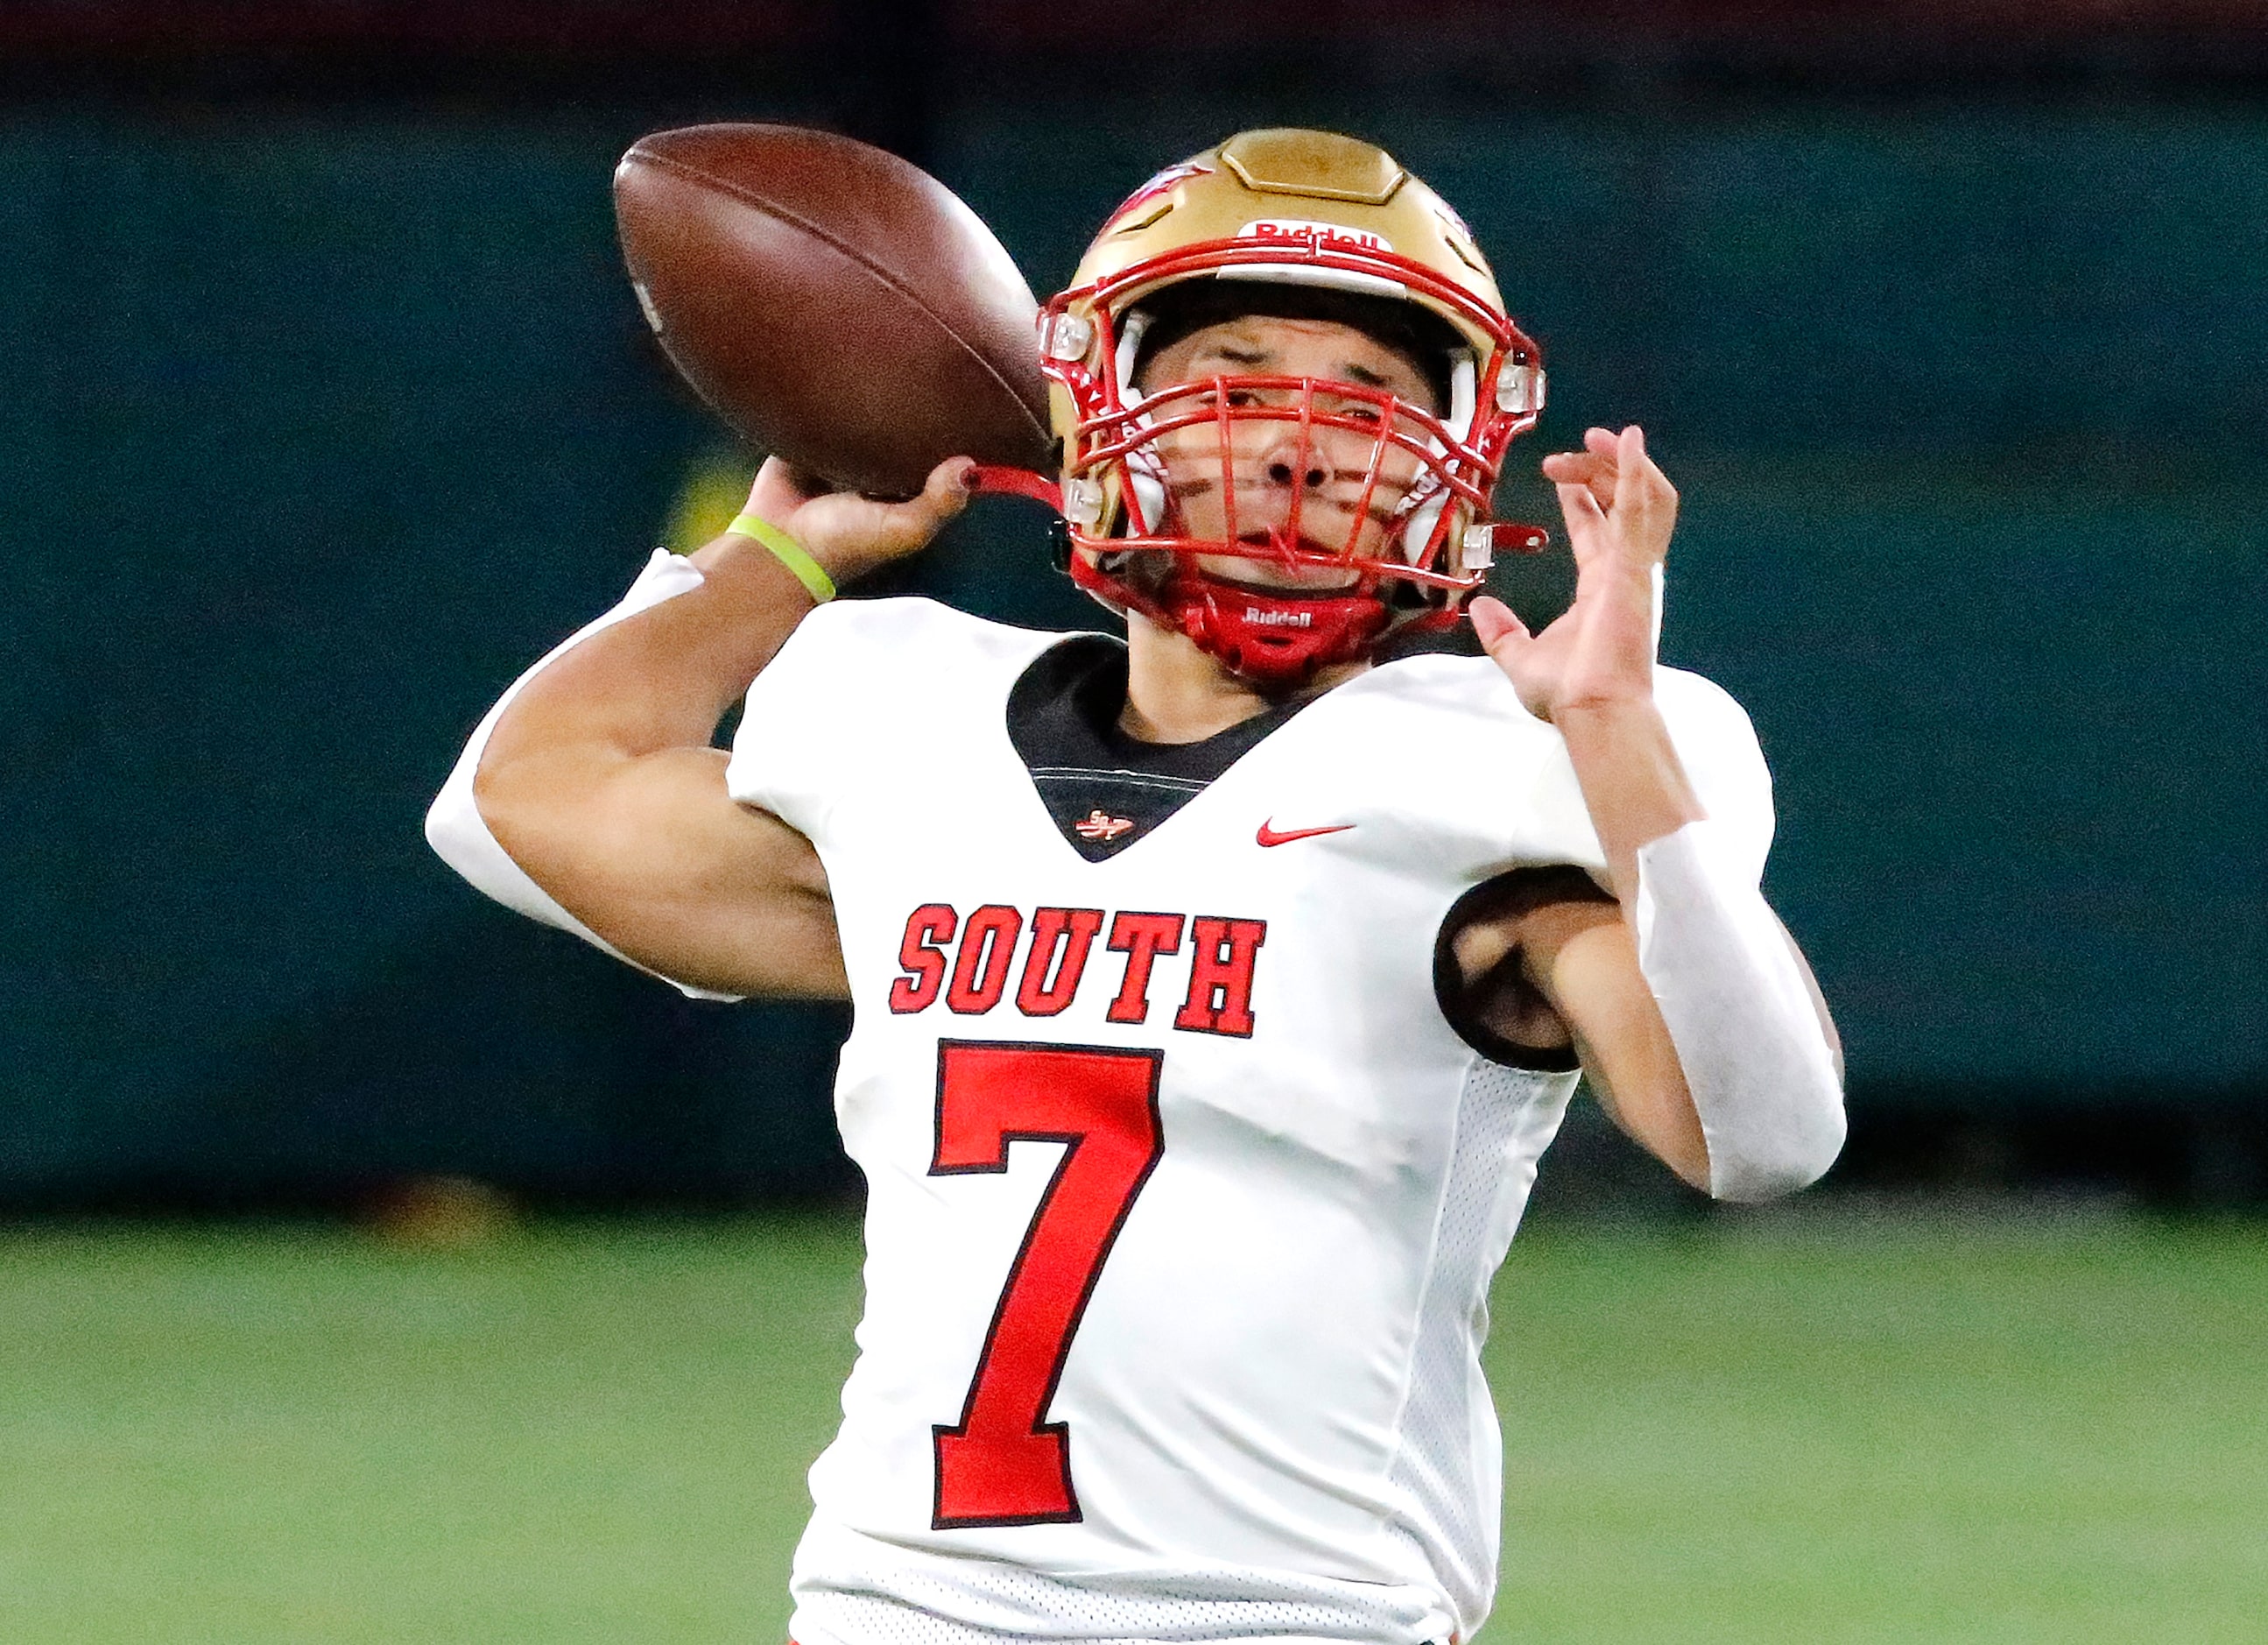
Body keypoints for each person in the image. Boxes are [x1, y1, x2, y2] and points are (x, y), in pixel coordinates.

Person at [428, 129, 1843, 1645]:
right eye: (1234, 372)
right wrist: (773, 557)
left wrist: (1617, 733)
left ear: (1448, 457)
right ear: (1101, 412)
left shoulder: (1503, 767)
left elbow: (1761, 1138)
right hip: (896, 1607)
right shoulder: (913, 722)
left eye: (1370, 399)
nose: (1299, 442)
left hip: (1288, 1617)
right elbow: (515, 806)